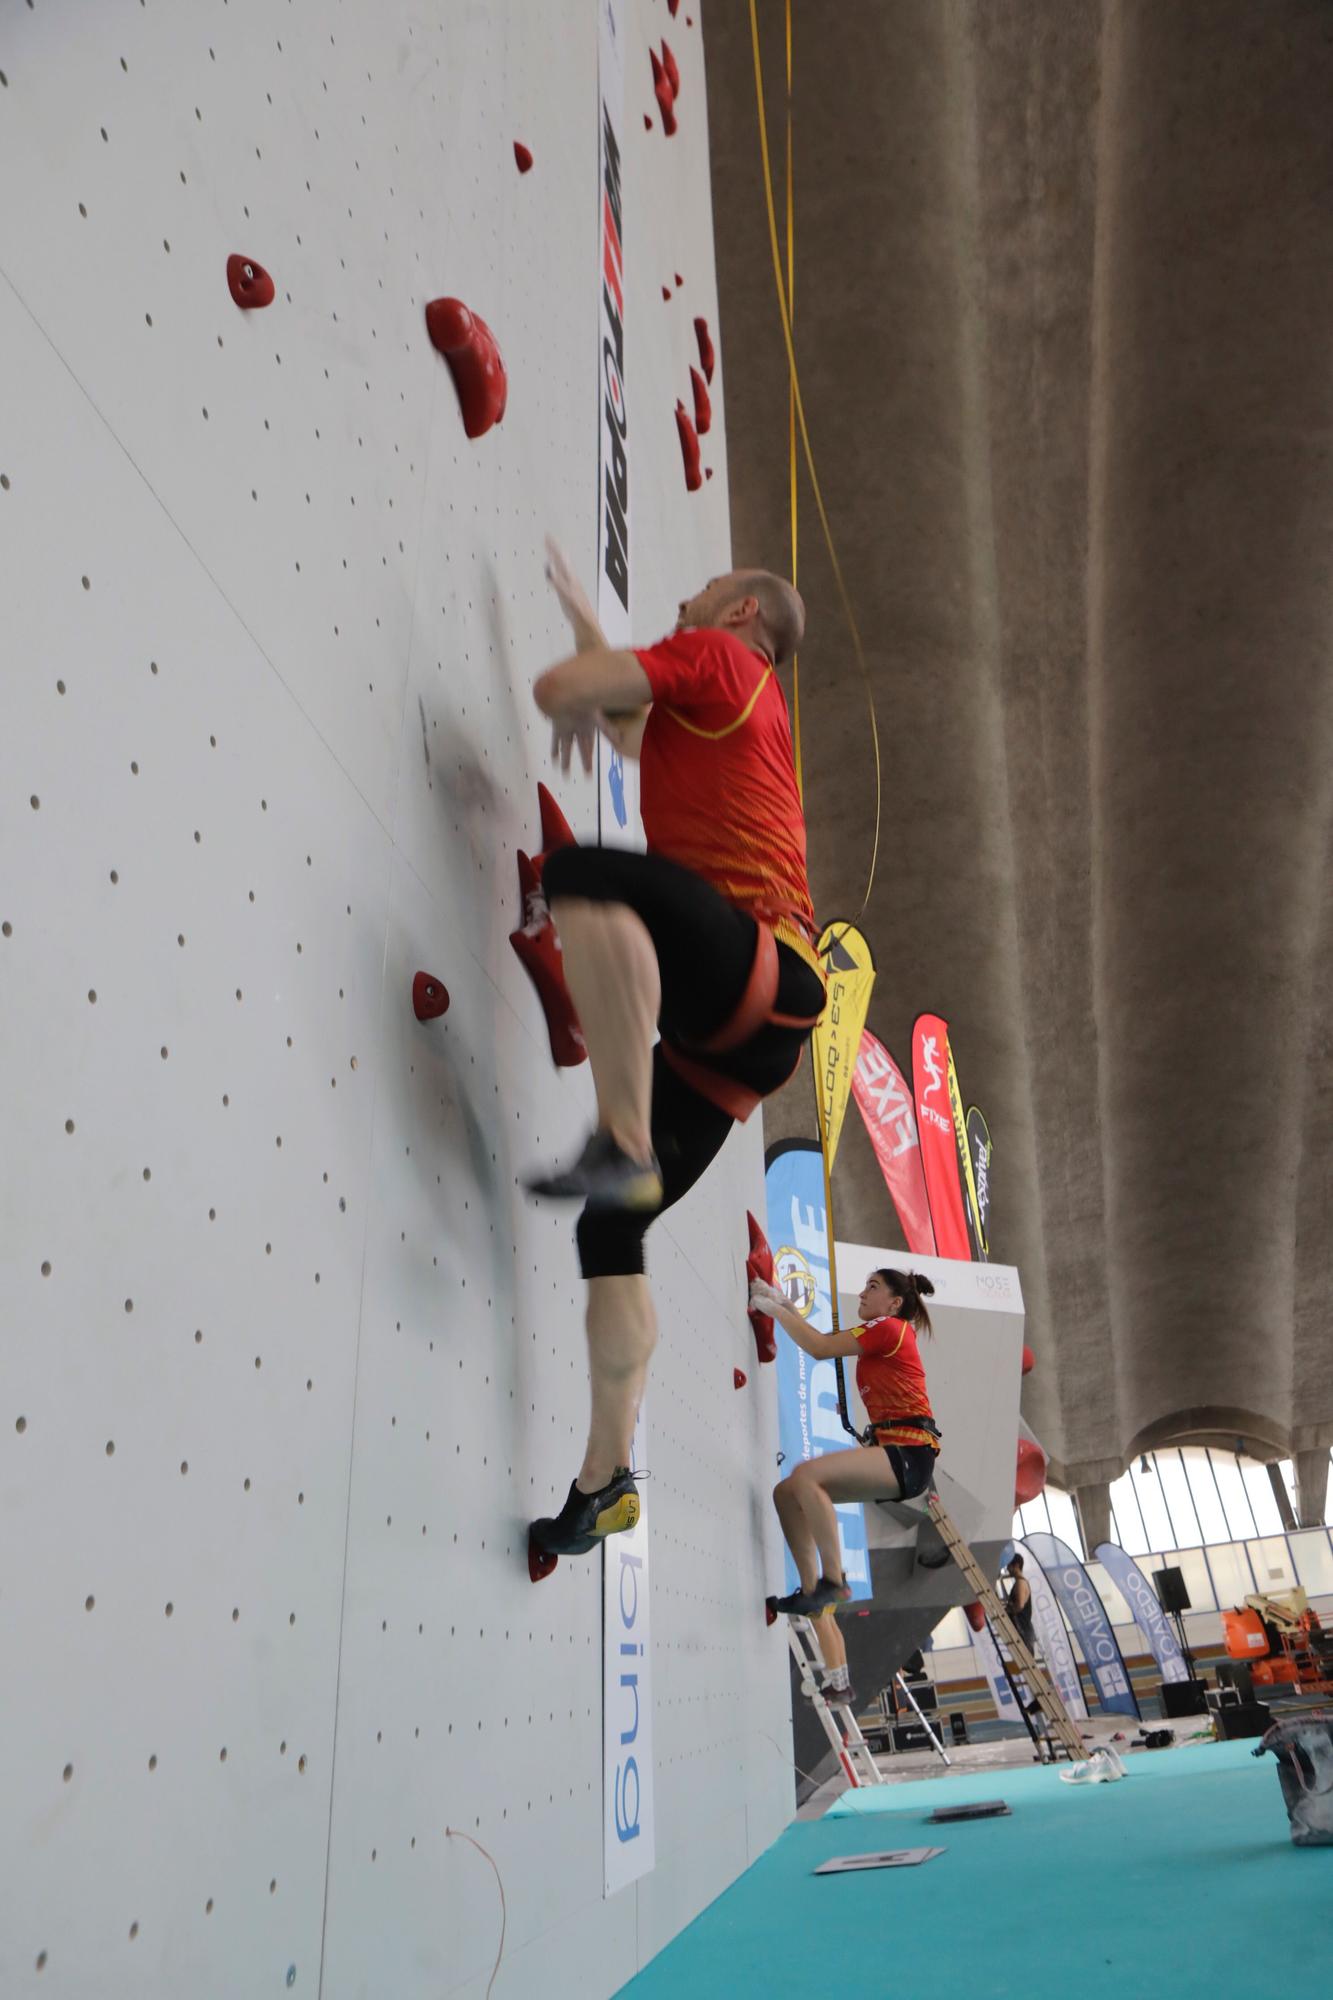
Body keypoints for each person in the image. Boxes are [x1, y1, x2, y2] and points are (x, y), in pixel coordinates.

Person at [523, 541, 826, 1562]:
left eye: (703, 591)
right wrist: (586, 635)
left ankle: (618, 1132)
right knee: (612, 1233)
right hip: (737, 1040)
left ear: (738, 611)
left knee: (587, 874)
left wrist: (575, 670)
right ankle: (601, 1482)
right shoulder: (736, 707)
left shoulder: (721, 659)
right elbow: (622, 719)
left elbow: (564, 693)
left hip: (758, 974)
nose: (686, 594)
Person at [749, 1268, 940, 1615]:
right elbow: (822, 1340)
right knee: (787, 1493)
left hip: (909, 1455)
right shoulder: (887, 1333)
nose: (863, 1294)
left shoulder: (887, 1328)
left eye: (873, 1287)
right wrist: (782, 1303)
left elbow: (820, 1347)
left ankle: (834, 1580)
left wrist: (774, 1311)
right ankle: (812, 1592)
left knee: (806, 1476)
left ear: (894, 1303)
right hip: (901, 1456)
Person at [1003, 1553, 1036, 1652]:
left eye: (1009, 1566)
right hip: (1024, 1630)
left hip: (1022, 1630)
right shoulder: (1021, 1582)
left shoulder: (1020, 1583)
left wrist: (1007, 1611)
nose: (1007, 1569)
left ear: (1016, 1565)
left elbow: (1020, 1605)